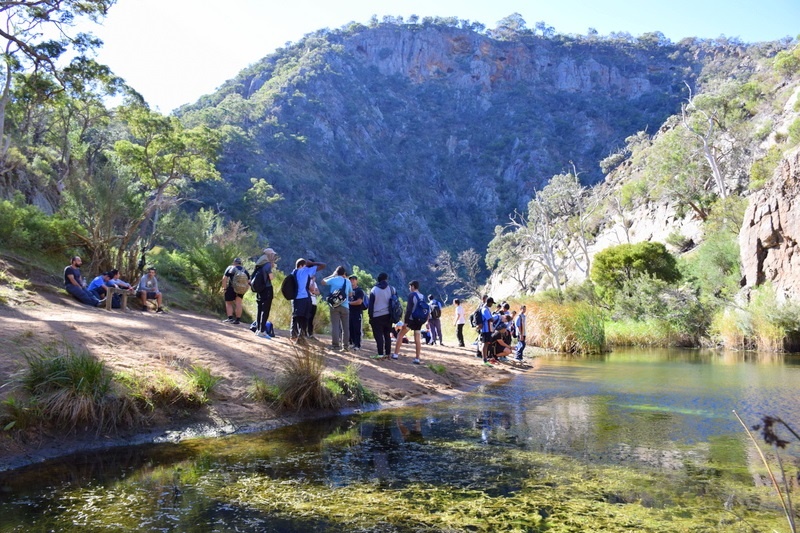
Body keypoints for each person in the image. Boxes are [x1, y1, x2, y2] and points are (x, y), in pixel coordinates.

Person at [291, 258, 326, 342]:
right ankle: (301, 337)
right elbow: (323, 265)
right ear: (302, 265)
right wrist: (313, 263)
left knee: (297, 317)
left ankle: (295, 335)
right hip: (305, 298)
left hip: (296, 298)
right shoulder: (307, 271)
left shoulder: (293, 272)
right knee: (305, 318)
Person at [392, 280, 425, 365]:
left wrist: (405, 321)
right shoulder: (422, 296)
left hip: (411, 319)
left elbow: (409, 309)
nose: (409, 288)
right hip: (419, 320)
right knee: (417, 339)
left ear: (413, 286)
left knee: (400, 335)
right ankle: (417, 358)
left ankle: (395, 354)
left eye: (410, 286)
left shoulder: (412, 295)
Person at [323, 266, 352, 351]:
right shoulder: (347, 281)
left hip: (334, 306)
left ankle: (335, 345)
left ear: (337, 272)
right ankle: (345, 346)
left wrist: (332, 275)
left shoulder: (333, 279)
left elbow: (323, 282)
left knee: (335, 326)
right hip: (345, 306)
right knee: (345, 327)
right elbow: (350, 294)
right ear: (344, 273)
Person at [368, 272, 395, 359]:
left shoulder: (374, 290)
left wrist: (370, 317)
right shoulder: (392, 289)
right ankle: (388, 354)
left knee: (378, 335)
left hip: (376, 316)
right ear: (386, 279)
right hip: (388, 316)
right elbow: (396, 303)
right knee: (387, 335)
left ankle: (380, 354)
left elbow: (370, 306)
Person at [252, 248, 276, 338]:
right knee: (265, 310)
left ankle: (258, 329)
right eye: (272, 255)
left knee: (259, 309)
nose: (273, 256)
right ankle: (262, 331)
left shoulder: (260, 263)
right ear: (270, 255)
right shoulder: (267, 264)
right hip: (267, 289)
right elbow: (271, 277)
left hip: (260, 290)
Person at [222, 258, 250, 325]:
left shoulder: (230, 268)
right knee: (238, 303)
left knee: (228, 303)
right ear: (240, 263)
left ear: (234, 262)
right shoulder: (245, 270)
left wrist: (225, 288)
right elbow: (249, 282)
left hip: (231, 288)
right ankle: (237, 320)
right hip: (241, 289)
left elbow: (224, 279)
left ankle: (230, 318)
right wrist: (244, 289)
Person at [348, 275, 366, 350]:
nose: (352, 281)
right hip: (349, 312)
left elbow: (359, 301)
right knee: (350, 328)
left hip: (357, 312)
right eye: (351, 280)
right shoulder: (348, 290)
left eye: (353, 280)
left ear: (356, 281)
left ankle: (357, 345)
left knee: (357, 329)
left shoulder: (359, 291)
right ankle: (352, 343)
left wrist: (349, 303)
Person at [480, 297, 496, 364]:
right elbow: (490, 319)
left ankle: (485, 358)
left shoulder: (486, 309)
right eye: (491, 303)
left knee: (486, 343)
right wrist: (493, 318)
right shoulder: (485, 309)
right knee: (485, 343)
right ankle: (484, 359)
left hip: (488, 329)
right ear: (489, 302)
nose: (492, 304)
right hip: (485, 329)